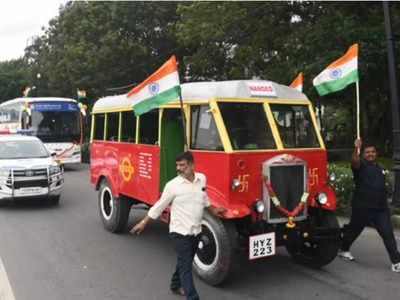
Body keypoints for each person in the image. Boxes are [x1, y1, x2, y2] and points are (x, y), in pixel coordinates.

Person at [130, 151, 227, 299]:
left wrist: (213, 210)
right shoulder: (172, 186)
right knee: (186, 266)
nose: (179, 168)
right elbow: (159, 206)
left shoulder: (201, 179)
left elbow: (203, 197)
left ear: (192, 165)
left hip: (196, 231)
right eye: (177, 165)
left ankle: (175, 285)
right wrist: (144, 222)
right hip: (179, 233)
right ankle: (192, 297)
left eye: (182, 165)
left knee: (185, 260)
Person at [338, 138, 400, 273]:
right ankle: (344, 249)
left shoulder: (380, 169)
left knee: (388, 234)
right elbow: (354, 161)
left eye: (373, 152)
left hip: (380, 209)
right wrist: (356, 148)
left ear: (376, 153)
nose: (370, 154)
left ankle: (396, 261)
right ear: (363, 154)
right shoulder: (361, 166)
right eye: (367, 152)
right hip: (362, 208)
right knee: (354, 230)